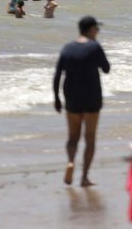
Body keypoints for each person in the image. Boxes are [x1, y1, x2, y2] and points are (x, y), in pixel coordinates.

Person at [53, 16, 111, 186]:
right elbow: (106, 69)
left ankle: (71, 162)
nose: (98, 32)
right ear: (91, 29)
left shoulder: (67, 48)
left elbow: (57, 75)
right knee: (90, 138)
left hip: (71, 97)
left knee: (73, 137)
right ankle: (84, 177)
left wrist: (56, 98)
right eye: (97, 29)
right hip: (92, 97)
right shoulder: (94, 47)